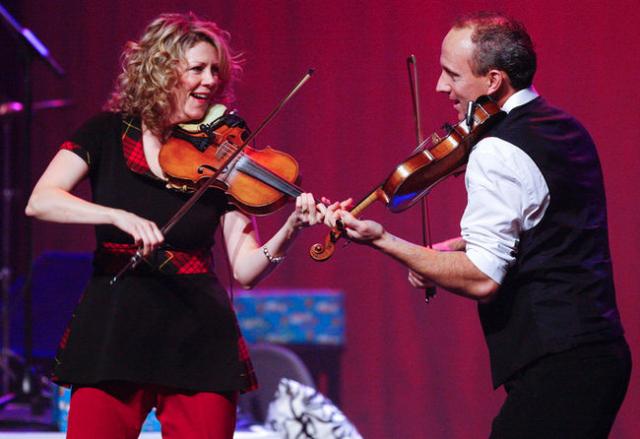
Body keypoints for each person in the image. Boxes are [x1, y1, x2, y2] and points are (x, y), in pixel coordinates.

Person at [321, 12, 631, 438]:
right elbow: (549, 231)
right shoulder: (564, 128)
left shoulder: (496, 149)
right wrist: (455, 247)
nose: (439, 86)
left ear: (493, 81)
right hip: (599, 354)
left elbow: (485, 279)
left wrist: (384, 239)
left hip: (557, 364)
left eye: (452, 74)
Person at [25, 12, 324, 439]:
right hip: (114, 324)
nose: (210, 81)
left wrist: (291, 227)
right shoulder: (105, 133)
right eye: (197, 69)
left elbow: (245, 270)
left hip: (197, 331)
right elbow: (41, 200)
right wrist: (115, 214)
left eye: (216, 71)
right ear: (160, 70)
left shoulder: (223, 157)